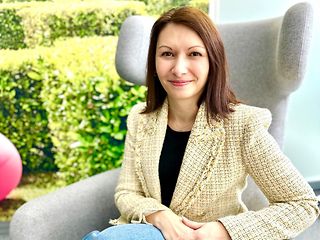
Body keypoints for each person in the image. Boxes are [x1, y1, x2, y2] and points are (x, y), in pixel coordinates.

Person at [83, 6, 319, 240]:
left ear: (212, 62)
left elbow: (302, 203)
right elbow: (127, 192)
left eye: (194, 54)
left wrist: (222, 230)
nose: (179, 68)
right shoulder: (140, 118)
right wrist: (159, 215)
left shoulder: (242, 124)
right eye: (167, 54)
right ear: (154, 62)